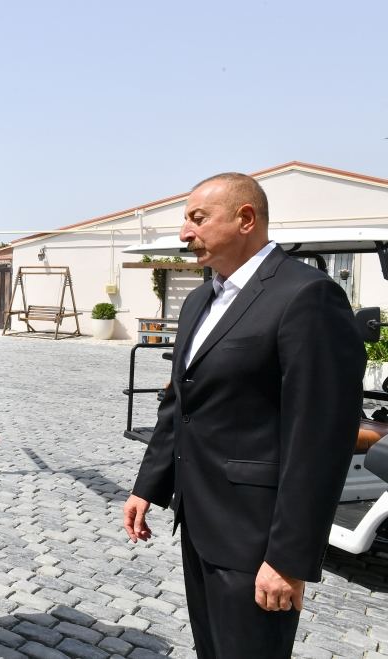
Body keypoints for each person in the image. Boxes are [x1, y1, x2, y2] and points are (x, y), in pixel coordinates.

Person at [122, 173, 365, 658]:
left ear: (245, 219)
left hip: (258, 538)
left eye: (197, 218)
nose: (185, 233)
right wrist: (148, 485)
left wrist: (289, 558)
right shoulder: (198, 300)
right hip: (201, 521)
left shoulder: (306, 296)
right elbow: (181, 404)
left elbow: (320, 439)